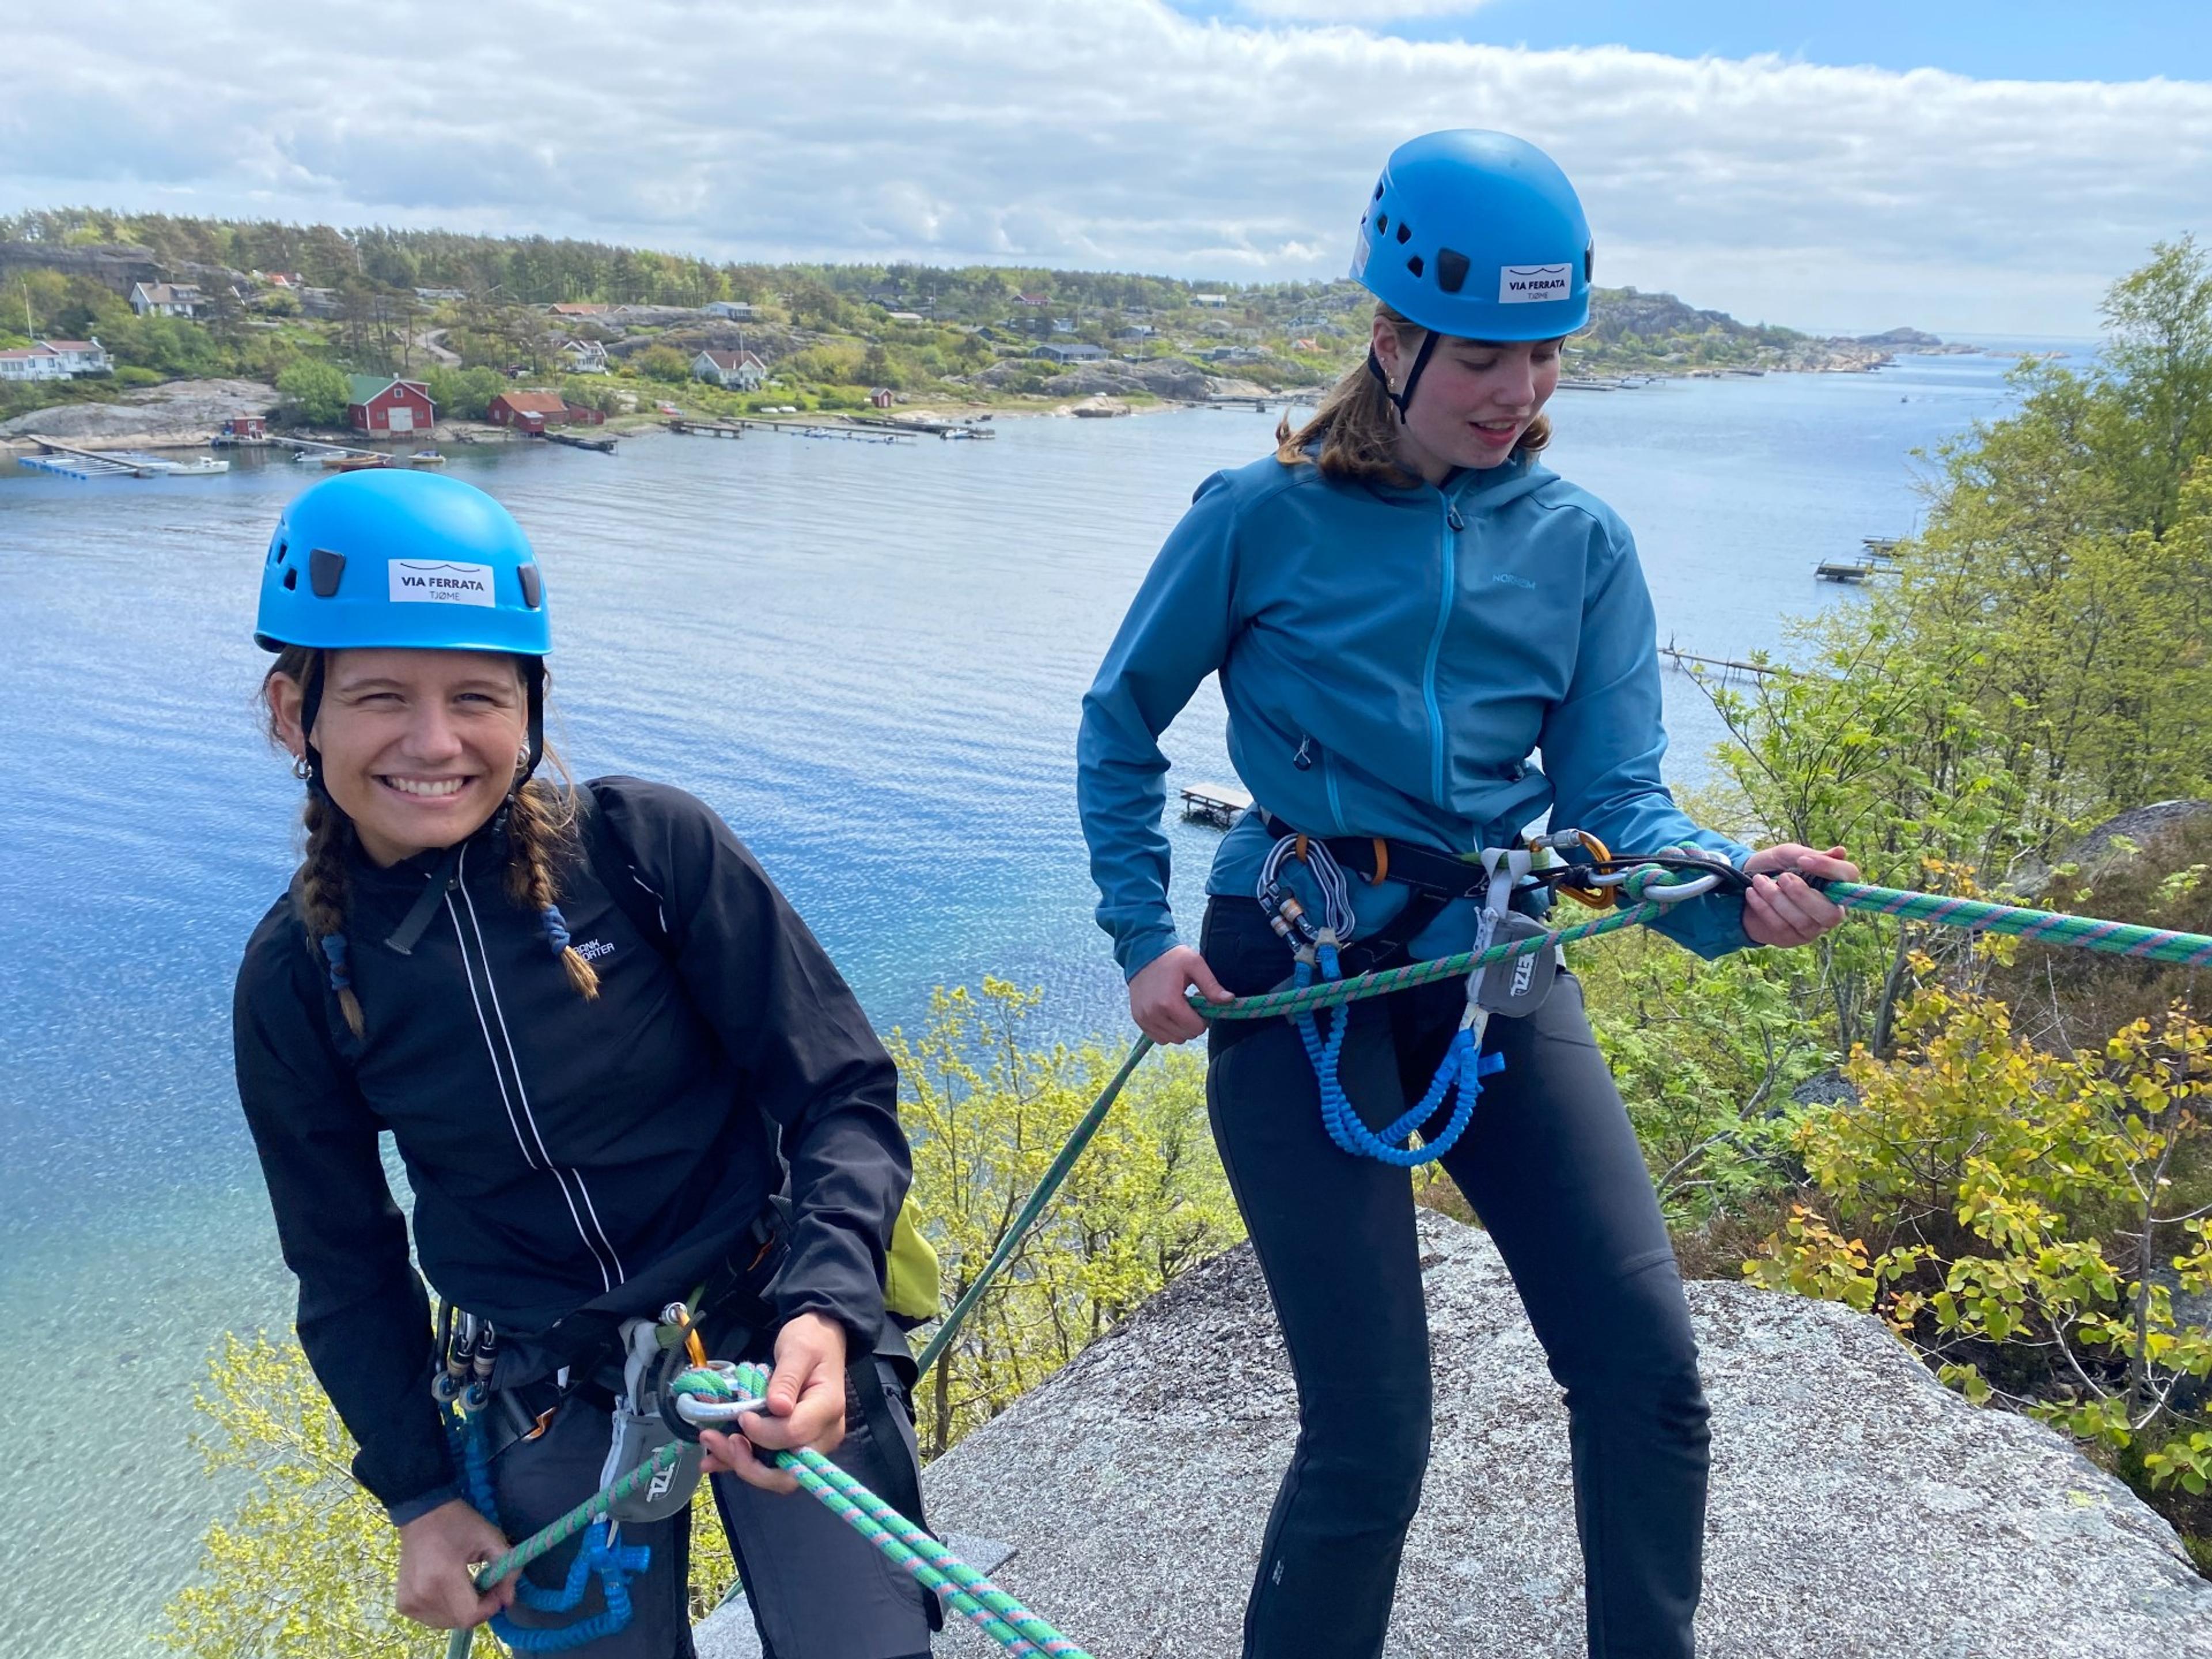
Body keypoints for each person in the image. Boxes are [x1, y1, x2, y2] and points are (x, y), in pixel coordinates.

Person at [1075, 130, 1859, 1659]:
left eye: (1546, 354)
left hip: (1493, 951)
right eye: (1488, 357)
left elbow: (1619, 804)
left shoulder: (1581, 547)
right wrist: (1142, 934)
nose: (1521, 392)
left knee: (1648, 1375)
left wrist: (1721, 892)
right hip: (1295, 956)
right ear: (1392, 337)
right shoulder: (1259, 513)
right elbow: (1120, 719)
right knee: (1373, 1438)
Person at [232, 469, 934, 1658]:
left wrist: (829, 1301)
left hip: (767, 1323)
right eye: (380, 698)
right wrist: (416, 1492)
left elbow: (840, 1091)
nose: (435, 742)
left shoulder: (646, 852)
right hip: (544, 1382)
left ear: (531, 708)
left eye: (478, 696)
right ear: (296, 713)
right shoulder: (302, 977)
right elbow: (344, 1258)